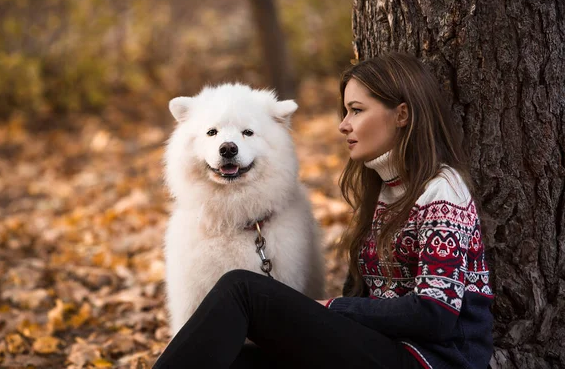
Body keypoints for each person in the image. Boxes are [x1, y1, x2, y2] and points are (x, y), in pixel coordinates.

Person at [152, 52, 494, 369]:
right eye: (345, 112)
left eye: (357, 111)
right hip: (380, 349)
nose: (344, 124)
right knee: (226, 357)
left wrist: (330, 309)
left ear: (401, 115)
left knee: (242, 288)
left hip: (429, 361)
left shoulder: (442, 191)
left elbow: (436, 314)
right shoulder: (388, 190)